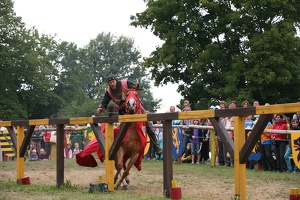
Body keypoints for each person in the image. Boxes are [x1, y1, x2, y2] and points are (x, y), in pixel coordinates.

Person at [97, 75, 162, 155]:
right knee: (116, 127)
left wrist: (131, 94)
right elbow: (104, 103)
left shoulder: (125, 83)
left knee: (148, 123)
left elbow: (137, 89)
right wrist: (100, 108)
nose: (112, 84)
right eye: (110, 83)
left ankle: (156, 146)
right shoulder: (109, 92)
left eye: (113, 82)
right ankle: (115, 148)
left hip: (135, 107)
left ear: (116, 81)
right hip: (122, 111)